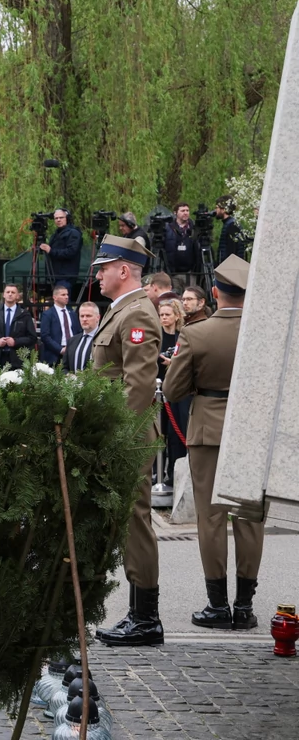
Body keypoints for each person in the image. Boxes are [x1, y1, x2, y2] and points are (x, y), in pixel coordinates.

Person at [162, 256, 263, 630]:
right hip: (251, 433)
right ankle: (245, 607)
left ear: (215, 292)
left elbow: (172, 390)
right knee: (250, 519)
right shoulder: (262, 333)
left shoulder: (196, 332)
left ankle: (218, 606)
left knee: (212, 518)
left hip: (207, 432)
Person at [89, 235, 164, 647]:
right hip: (117, 433)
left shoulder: (136, 314)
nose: (98, 275)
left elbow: (136, 387)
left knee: (135, 519)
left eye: (103, 268)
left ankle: (146, 618)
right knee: (128, 519)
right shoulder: (121, 311)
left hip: (129, 436)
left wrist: (121, 439)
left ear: (123, 270)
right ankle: (139, 613)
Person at [157, 297, 188, 490]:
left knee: (176, 433)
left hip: (177, 392)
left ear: (177, 316)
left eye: (167, 315)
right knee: (161, 434)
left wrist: (173, 363)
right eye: (161, 315)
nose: (164, 318)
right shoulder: (157, 336)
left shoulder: (183, 335)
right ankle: (160, 474)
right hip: (158, 390)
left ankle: (176, 474)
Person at [0, 283, 37, 372]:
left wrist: (15, 342)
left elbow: (32, 337)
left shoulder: (24, 315)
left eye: (13, 292)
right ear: (4, 294)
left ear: (17, 296)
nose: (10, 294)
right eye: (8, 292)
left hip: (17, 359)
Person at [38, 209, 83, 291]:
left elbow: (71, 252)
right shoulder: (56, 234)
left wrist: (51, 251)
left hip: (66, 275)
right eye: (56, 218)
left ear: (67, 218)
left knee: (62, 299)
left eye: (61, 217)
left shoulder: (73, 233)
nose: (58, 220)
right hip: (56, 275)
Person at [39, 284, 81, 367]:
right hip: (55, 353)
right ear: (55, 297)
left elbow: (78, 332)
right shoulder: (48, 314)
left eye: (67, 294)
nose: (66, 297)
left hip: (72, 351)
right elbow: (45, 336)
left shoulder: (72, 313)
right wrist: (60, 349)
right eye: (63, 295)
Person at [164, 202, 199, 276]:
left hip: (191, 272)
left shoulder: (194, 228)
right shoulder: (168, 229)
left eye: (187, 210)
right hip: (173, 272)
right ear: (175, 213)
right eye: (182, 211)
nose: (186, 213)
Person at [64, 301, 101, 372]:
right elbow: (64, 367)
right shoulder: (72, 341)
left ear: (98, 317)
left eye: (88, 316)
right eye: (82, 316)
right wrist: (69, 376)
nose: (84, 319)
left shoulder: (104, 340)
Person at [214, 195, 247, 264]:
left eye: (217, 208)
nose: (215, 210)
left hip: (231, 268)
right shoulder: (230, 224)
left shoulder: (232, 225)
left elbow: (232, 252)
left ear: (223, 209)